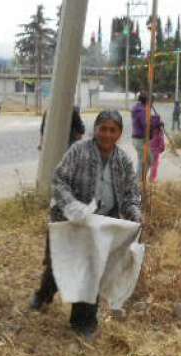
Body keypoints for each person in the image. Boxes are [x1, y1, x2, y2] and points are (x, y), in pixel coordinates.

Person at [30, 110, 143, 339]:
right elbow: (59, 181)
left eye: (113, 130)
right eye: (103, 129)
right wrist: (73, 207)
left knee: (92, 270)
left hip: (99, 227)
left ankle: (83, 322)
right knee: (57, 265)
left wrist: (135, 214)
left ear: (119, 133)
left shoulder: (123, 161)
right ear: (95, 129)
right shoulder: (78, 151)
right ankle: (44, 294)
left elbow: (131, 194)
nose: (107, 134)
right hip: (69, 221)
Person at [131, 94, 148, 181]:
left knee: (142, 159)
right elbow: (144, 124)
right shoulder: (141, 110)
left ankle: (140, 179)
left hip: (136, 137)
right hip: (140, 138)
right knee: (145, 160)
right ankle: (138, 180)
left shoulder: (136, 108)